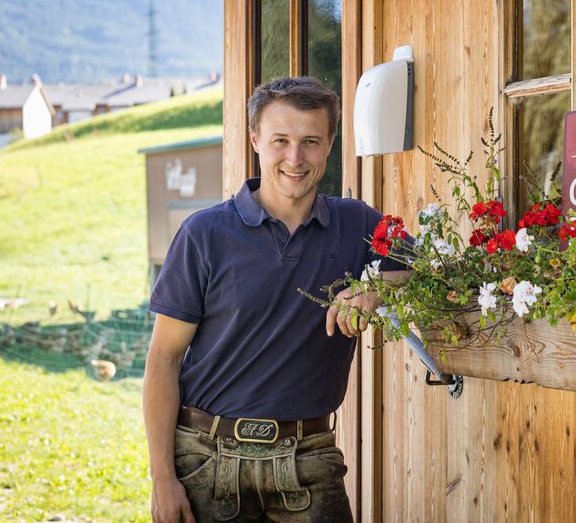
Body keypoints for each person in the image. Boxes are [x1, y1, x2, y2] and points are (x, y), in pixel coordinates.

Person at [143, 76, 409, 522]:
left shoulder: (357, 223)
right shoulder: (204, 234)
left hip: (309, 461)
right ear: (255, 140)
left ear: (329, 145)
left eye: (310, 141)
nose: (294, 158)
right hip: (206, 461)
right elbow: (163, 360)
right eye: (280, 141)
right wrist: (162, 479)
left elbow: (429, 273)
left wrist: (376, 291)